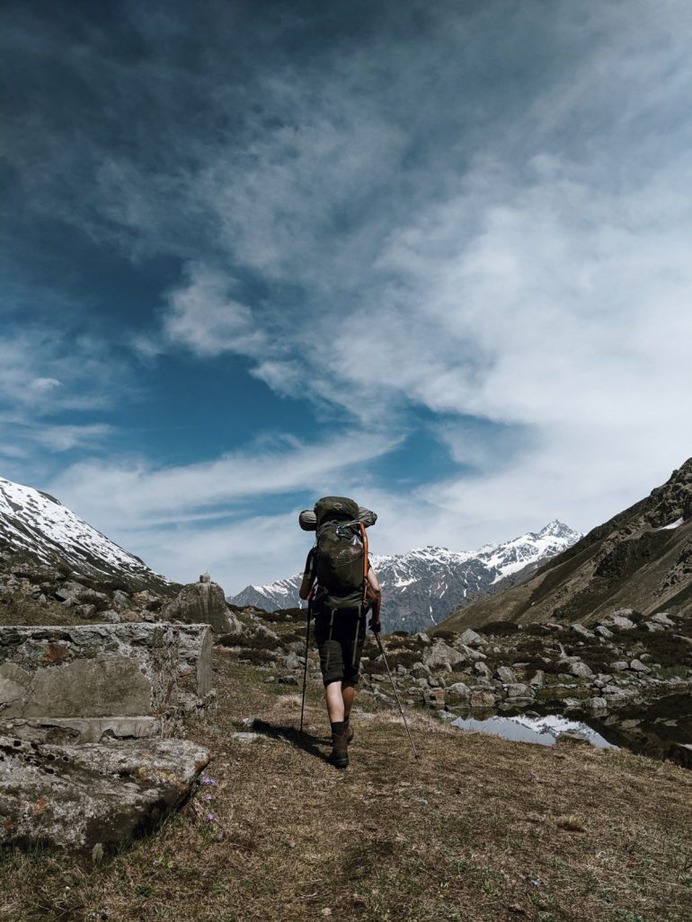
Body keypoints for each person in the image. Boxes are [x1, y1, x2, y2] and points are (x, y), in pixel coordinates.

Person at [299, 503, 381, 769]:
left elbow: (303, 593)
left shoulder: (317, 553)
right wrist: (376, 620)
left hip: (328, 618)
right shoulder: (361, 551)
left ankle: (339, 747)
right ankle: (344, 728)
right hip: (356, 618)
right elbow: (376, 589)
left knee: (331, 678)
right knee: (349, 676)